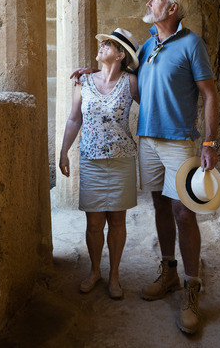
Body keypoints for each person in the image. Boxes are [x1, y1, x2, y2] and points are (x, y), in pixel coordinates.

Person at [72, 0, 220, 334]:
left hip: (179, 142)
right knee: (160, 206)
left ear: (171, 9)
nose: (149, 2)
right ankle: (169, 270)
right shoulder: (149, 46)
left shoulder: (191, 44)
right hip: (147, 142)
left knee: (184, 212)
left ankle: (191, 286)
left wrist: (210, 143)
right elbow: (119, 77)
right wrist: (90, 72)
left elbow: (209, 95)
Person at [59, 28, 140, 300]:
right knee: (94, 223)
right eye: (104, 41)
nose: (103, 44)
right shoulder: (84, 80)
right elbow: (74, 119)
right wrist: (63, 151)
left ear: (121, 55)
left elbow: (152, 104)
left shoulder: (131, 82)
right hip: (91, 160)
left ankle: (114, 275)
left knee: (117, 221)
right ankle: (95, 271)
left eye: (110, 43)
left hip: (122, 160)